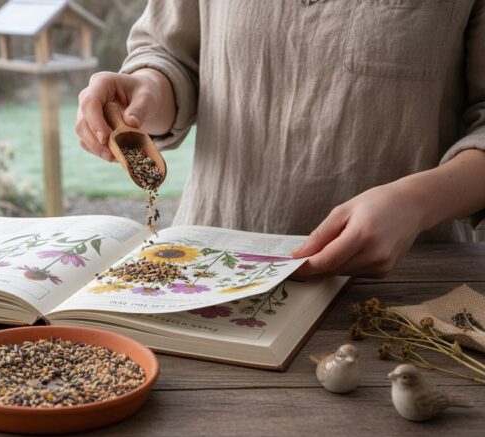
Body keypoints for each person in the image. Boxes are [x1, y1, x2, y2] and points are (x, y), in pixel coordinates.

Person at [74, 1, 485, 278]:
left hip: (402, 288)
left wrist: (416, 203)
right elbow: (171, 55)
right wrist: (144, 90)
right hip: (207, 273)